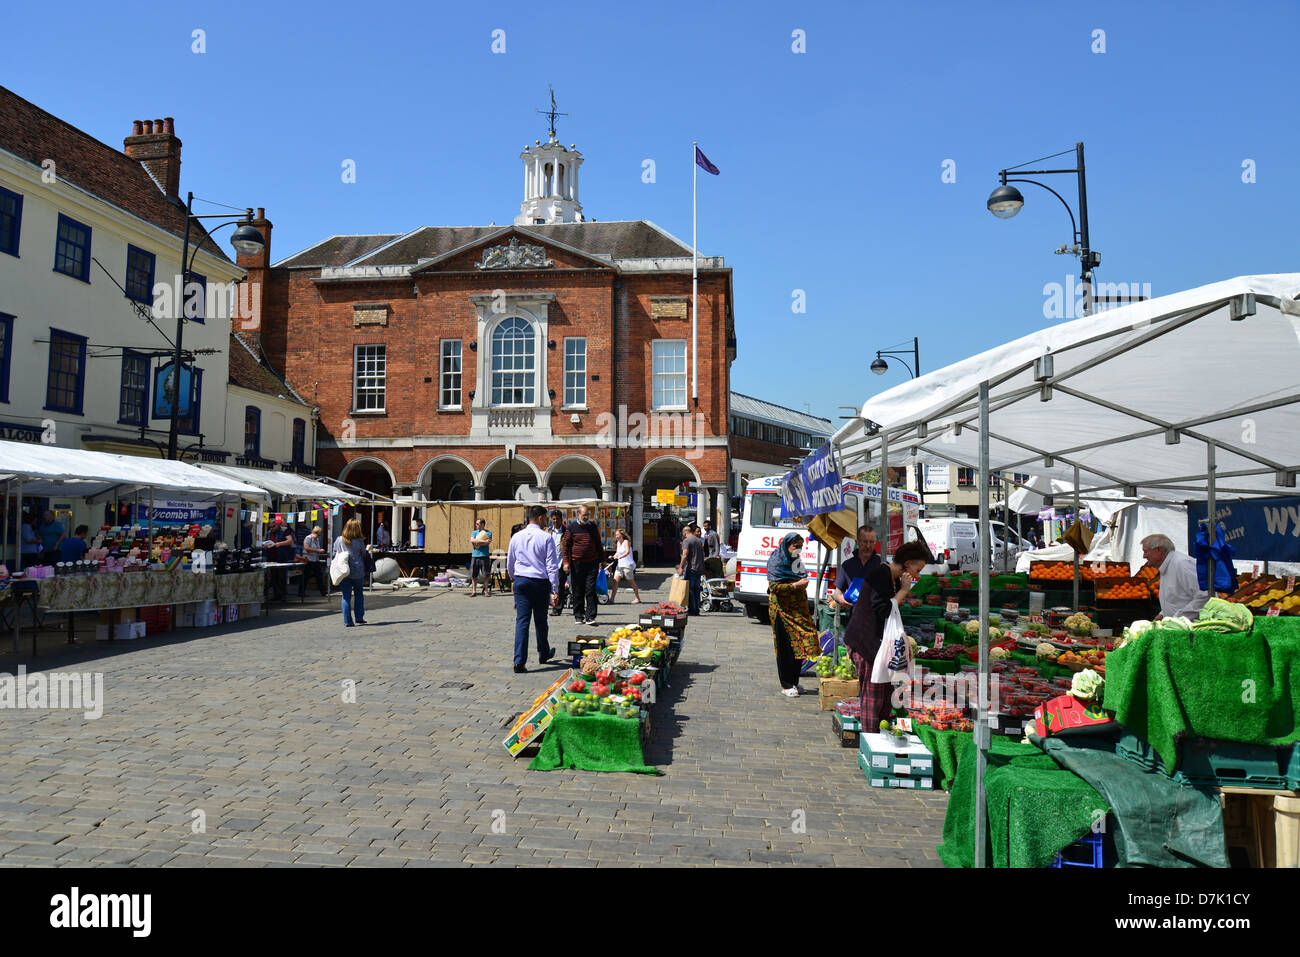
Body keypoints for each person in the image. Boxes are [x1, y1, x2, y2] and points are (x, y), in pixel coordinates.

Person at [843, 540, 932, 730]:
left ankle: (881, 734)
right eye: (918, 569)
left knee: (885, 691)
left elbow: (892, 615)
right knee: (873, 693)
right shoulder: (880, 574)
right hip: (864, 642)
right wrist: (904, 591)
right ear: (908, 563)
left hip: (878, 644)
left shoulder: (893, 578)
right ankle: (871, 741)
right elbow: (883, 610)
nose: (918, 575)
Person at [766, 532, 820, 697]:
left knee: (800, 646)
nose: (798, 550)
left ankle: (795, 682)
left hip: (798, 612)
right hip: (782, 612)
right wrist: (796, 585)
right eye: (795, 546)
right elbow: (774, 588)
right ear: (786, 545)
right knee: (785, 649)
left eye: (800, 547)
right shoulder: (776, 561)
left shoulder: (796, 562)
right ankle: (787, 684)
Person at [507, 504, 558, 673]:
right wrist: (555, 588)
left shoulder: (516, 537)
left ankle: (519, 661)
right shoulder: (546, 537)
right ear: (541, 517)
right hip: (539, 582)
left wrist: (514, 578)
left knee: (522, 621)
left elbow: (510, 562)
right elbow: (551, 566)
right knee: (541, 620)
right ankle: (543, 653)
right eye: (546, 518)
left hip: (521, 581)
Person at [1140, 533, 1209, 620]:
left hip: (1191, 628)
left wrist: (1178, 618)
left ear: (1159, 550)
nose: (1144, 556)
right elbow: (1176, 600)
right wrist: (1162, 614)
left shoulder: (1182, 564)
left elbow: (1204, 596)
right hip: (1177, 626)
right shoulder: (1165, 567)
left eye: (1146, 551)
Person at [563, 504, 603, 625]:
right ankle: (578, 616)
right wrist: (566, 562)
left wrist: (603, 559)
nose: (586, 517)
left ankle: (590, 617)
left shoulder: (593, 527)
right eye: (584, 515)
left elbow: (598, 544)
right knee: (577, 590)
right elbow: (566, 546)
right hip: (576, 563)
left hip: (592, 563)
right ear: (578, 514)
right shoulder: (572, 527)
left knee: (590, 590)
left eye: (587, 515)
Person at [831, 524, 881, 609]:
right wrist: (840, 599)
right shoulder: (847, 565)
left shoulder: (881, 564)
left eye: (871, 542)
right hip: (855, 617)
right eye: (864, 542)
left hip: (877, 618)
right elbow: (836, 593)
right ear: (857, 542)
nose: (868, 546)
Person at [331, 518, 369, 626]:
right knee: (359, 595)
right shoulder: (359, 541)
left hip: (344, 571)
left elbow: (334, 553)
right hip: (358, 571)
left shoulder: (339, 540)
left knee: (346, 596)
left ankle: (347, 621)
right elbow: (363, 555)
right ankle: (359, 617)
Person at [677, 523, 705, 616]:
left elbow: (684, 555)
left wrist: (681, 567)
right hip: (699, 568)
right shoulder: (698, 540)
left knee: (690, 590)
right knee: (697, 590)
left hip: (691, 568)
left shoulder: (687, 541)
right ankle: (696, 609)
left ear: (684, 533)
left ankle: (692, 609)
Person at [607, 529, 641, 604]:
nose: (616, 536)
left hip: (627, 564)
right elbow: (617, 553)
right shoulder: (618, 543)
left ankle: (637, 598)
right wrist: (613, 557)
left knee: (631, 582)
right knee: (615, 581)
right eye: (615, 535)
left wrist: (620, 557)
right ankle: (612, 599)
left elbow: (627, 552)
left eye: (617, 535)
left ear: (622, 535)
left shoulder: (626, 542)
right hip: (620, 565)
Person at [266, 518, 296, 601]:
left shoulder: (284, 530)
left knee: (281, 576)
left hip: (282, 557)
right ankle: (276, 595)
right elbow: (267, 541)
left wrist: (279, 544)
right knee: (274, 576)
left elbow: (290, 541)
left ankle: (283, 595)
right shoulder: (269, 533)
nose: (271, 528)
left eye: (273, 526)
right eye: (270, 527)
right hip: (272, 557)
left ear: (277, 525)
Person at [548, 509, 569, 616]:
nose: (555, 521)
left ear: (561, 519)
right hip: (550, 563)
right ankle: (550, 604)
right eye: (554, 519)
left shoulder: (566, 531)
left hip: (561, 563)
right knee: (549, 585)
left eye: (557, 519)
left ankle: (558, 608)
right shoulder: (549, 531)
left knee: (560, 586)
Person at [299, 525, 329, 598]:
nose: (318, 536)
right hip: (308, 559)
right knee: (306, 577)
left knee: (319, 576)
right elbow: (306, 548)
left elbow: (317, 549)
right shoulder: (308, 538)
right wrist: (317, 550)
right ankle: (301, 592)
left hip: (315, 559)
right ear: (315, 533)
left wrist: (320, 551)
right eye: (318, 535)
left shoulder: (317, 540)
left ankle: (323, 591)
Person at [469, 518, 493, 597]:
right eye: (476, 524)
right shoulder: (474, 532)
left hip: (484, 555)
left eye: (478, 524)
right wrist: (483, 541)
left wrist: (477, 541)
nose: (476, 525)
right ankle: (474, 591)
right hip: (475, 555)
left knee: (486, 574)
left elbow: (487, 543)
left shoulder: (488, 533)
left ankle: (486, 591)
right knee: (474, 574)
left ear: (482, 524)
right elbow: (472, 541)